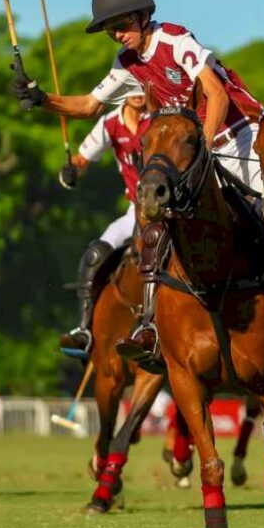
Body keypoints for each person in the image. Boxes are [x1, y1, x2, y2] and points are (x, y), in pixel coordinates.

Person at [10, 0, 264, 360]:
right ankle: (151, 327)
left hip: (238, 138)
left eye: (122, 26)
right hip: (193, 156)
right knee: (158, 229)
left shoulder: (174, 40)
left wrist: (203, 146)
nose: (118, 35)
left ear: (143, 16)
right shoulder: (125, 64)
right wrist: (41, 98)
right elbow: (89, 106)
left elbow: (216, 92)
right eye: (111, 31)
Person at [56, 90, 150, 357]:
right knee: (95, 253)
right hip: (136, 209)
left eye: (141, 86)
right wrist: (71, 169)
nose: (137, 93)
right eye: (130, 86)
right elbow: (83, 159)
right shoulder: (110, 123)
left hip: (167, 209)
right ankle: (84, 329)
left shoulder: (158, 118)